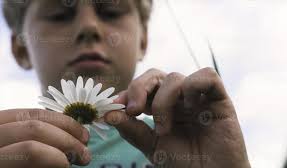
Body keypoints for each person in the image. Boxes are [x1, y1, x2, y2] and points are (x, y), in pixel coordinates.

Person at [1, 0, 251, 167]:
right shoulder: (8, 149)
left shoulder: (189, 139)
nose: (89, 26)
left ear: (143, 39)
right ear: (20, 47)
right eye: (59, 15)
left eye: (111, 11)